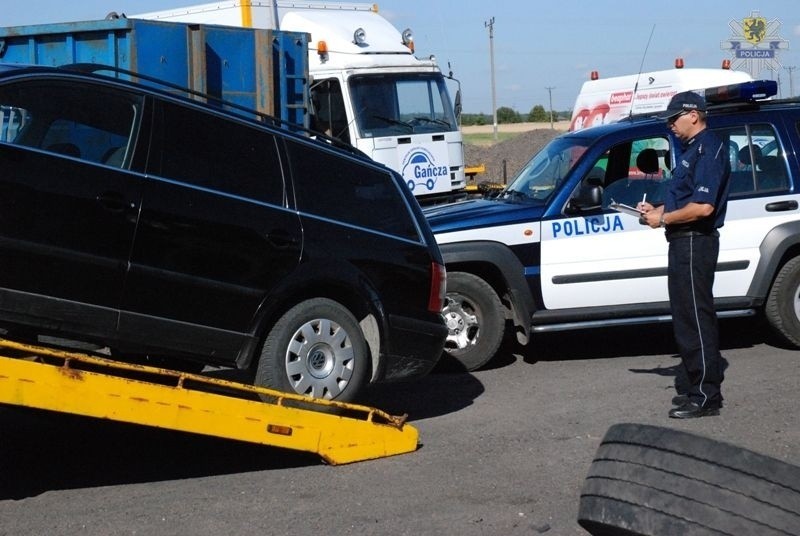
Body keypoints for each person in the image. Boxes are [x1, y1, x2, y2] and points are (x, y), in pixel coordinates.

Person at [638, 91, 730, 419]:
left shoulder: (709, 148)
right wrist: (658, 209)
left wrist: (662, 218)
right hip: (682, 241)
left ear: (693, 114)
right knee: (685, 318)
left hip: (695, 241)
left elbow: (703, 207)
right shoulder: (691, 150)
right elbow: (684, 201)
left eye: (673, 118)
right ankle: (695, 387)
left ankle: (707, 395)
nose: (670, 124)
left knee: (696, 317)